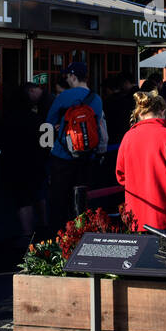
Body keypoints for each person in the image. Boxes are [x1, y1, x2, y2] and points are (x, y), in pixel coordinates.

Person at [116, 91, 166, 234]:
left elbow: (121, 177)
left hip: (136, 215)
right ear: (163, 111)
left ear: (139, 113)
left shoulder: (128, 138)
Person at [45, 62, 109, 228]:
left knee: (59, 200)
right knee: (80, 199)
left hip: (62, 156)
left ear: (73, 76)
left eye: (68, 76)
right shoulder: (97, 99)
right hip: (86, 156)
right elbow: (99, 127)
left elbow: (48, 125)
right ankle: (80, 234)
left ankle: (59, 238)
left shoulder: (63, 97)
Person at [5, 82, 50, 241]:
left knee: (23, 199)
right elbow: (47, 142)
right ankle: (44, 230)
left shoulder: (7, 118)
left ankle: (27, 235)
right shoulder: (37, 119)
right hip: (36, 162)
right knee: (39, 195)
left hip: (16, 163)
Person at [102, 72, 135, 146]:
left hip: (111, 137)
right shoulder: (128, 101)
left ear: (108, 89)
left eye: (104, 91)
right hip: (126, 136)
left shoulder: (107, 102)